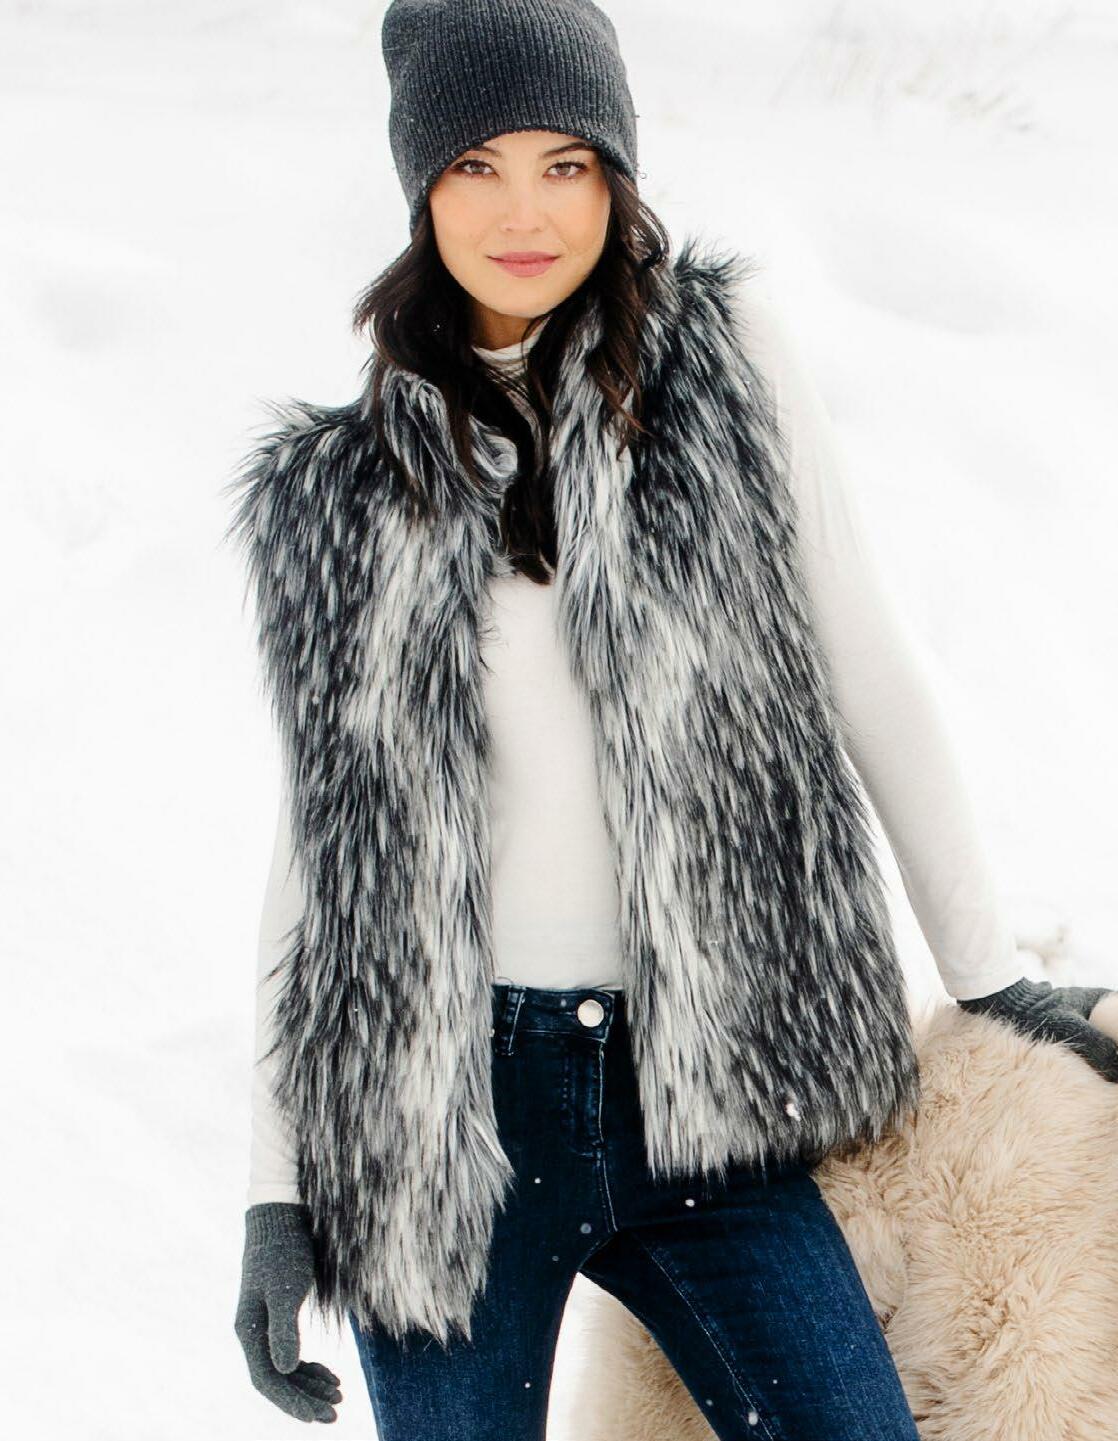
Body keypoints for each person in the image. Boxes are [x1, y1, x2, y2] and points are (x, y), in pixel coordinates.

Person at [229, 1, 1118, 1436]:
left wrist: (988, 974)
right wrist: (274, 1193)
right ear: (422, 190)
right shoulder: (351, 491)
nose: (525, 212)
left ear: (617, 178)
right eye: (477, 167)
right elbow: (318, 862)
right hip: (447, 1132)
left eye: (565, 164)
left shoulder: (722, 368)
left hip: (708, 1098)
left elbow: (870, 667)